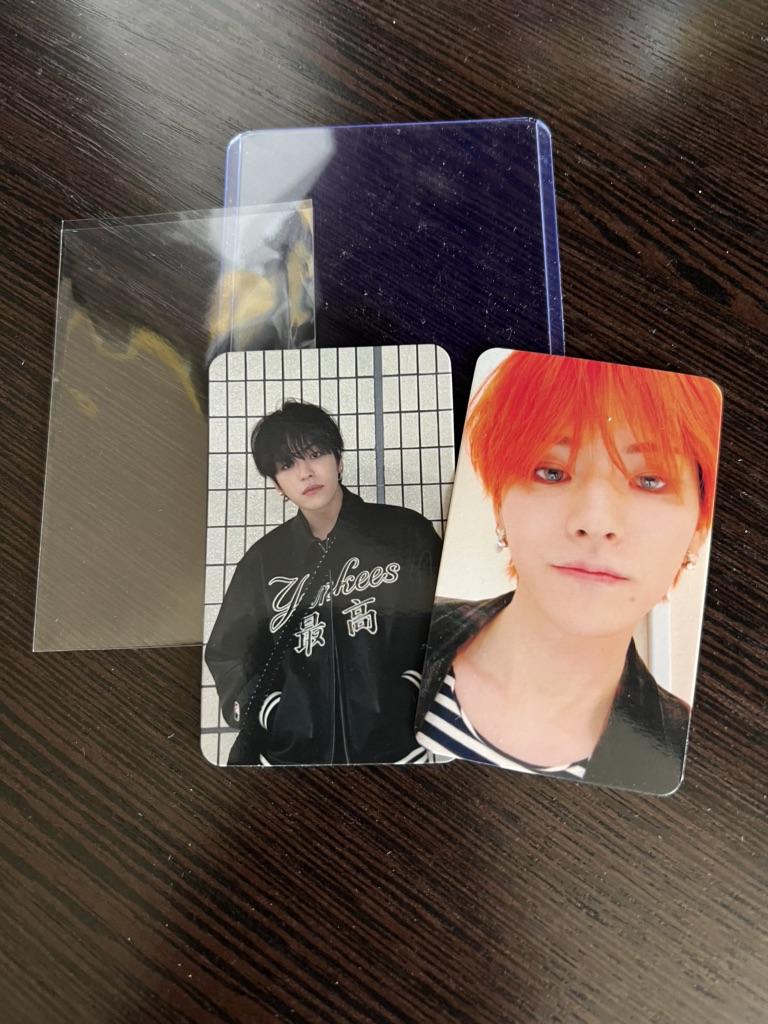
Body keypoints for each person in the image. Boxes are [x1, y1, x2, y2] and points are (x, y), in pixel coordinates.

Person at [415, 352, 721, 794]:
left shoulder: (680, 751)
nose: (595, 521)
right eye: (552, 472)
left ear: (697, 529)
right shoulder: (389, 640)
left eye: (650, 480)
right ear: (500, 503)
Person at [205, 400, 442, 766]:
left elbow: (452, 625)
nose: (305, 473)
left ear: (338, 460)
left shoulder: (406, 535)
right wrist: (272, 711)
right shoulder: (263, 562)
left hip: (401, 755)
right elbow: (228, 652)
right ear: (276, 484)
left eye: (315, 454)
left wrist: (413, 691)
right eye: (287, 464)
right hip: (295, 762)